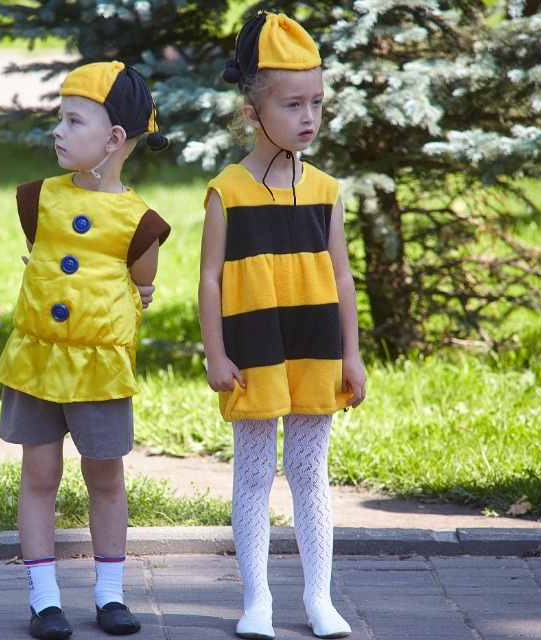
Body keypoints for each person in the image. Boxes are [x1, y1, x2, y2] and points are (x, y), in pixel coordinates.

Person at [197, 12, 367, 640]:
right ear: (253, 113)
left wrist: (353, 355)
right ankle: (257, 601)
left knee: (309, 469)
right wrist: (215, 353)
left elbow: (342, 277)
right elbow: (210, 278)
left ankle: (320, 599)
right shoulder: (228, 192)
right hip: (254, 347)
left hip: (314, 345)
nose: (309, 117)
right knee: (252, 471)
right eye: (293, 104)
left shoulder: (325, 189)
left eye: (317, 103)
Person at [0, 61, 171, 640]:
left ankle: (110, 596)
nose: (58, 131)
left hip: (99, 369)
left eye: (73, 120)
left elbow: (141, 288)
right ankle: (45, 601)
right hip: (38, 362)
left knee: (106, 479)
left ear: (114, 139)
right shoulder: (35, 200)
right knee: (39, 475)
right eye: (59, 119)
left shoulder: (140, 223)